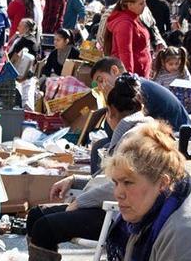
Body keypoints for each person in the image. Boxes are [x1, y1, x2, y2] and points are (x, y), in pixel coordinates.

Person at [26, 75, 151, 261]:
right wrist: (74, 180)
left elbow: (122, 186)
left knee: (44, 227)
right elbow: (111, 180)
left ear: (110, 111)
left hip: (121, 215)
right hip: (112, 207)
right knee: (36, 215)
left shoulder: (134, 137)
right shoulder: (133, 130)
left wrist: (81, 201)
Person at [105, 120, 191, 261]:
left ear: (163, 183)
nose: (118, 193)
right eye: (116, 183)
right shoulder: (160, 212)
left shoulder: (183, 233)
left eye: (128, 183)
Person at [90, 56, 190, 131]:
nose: (100, 87)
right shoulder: (133, 84)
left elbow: (122, 128)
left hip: (176, 134)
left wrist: (110, 102)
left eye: (100, 80)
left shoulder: (136, 89)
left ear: (114, 70)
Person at [105, 0, 152, 78]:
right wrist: (128, 78)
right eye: (141, 3)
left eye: (144, 2)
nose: (145, 6)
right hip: (133, 78)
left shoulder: (134, 18)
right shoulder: (125, 23)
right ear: (130, 5)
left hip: (140, 75)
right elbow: (125, 53)